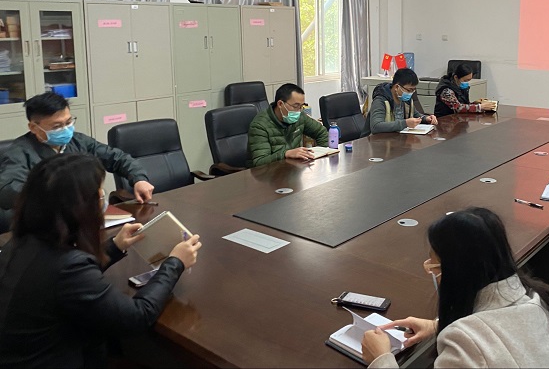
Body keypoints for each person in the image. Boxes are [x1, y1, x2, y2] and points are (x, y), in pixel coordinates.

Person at [0, 154, 202, 367]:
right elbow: (137, 317)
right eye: (99, 195)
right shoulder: (68, 268)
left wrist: (115, 246)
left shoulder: (20, 242)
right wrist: (175, 263)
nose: (103, 201)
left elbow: (65, 283)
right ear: (79, 208)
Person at [361, 208, 549, 368]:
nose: (433, 273)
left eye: (434, 266)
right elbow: (503, 335)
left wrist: (381, 359)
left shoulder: (466, 342)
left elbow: (485, 342)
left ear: (457, 272)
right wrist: (437, 326)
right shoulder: (540, 299)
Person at [0, 92, 154, 233]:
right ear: (34, 127)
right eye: (57, 126)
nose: (65, 129)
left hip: (81, 222)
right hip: (43, 228)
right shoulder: (20, 152)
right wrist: (57, 197)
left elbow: (117, 158)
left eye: (68, 122)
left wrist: (139, 178)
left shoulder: (78, 141)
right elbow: (8, 190)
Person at [246, 83, 329, 168]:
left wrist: (321, 155)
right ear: (280, 104)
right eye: (296, 106)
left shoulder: (300, 116)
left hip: (293, 169)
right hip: (267, 173)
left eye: (301, 106)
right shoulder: (260, 125)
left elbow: (321, 132)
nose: (299, 111)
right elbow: (260, 162)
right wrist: (285, 154)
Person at [362, 68, 438, 136]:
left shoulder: (405, 100)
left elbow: (416, 115)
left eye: (413, 90)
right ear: (397, 87)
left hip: (396, 139)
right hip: (376, 142)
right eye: (409, 90)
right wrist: (405, 123)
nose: (411, 93)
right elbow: (376, 126)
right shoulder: (380, 100)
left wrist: (426, 118)